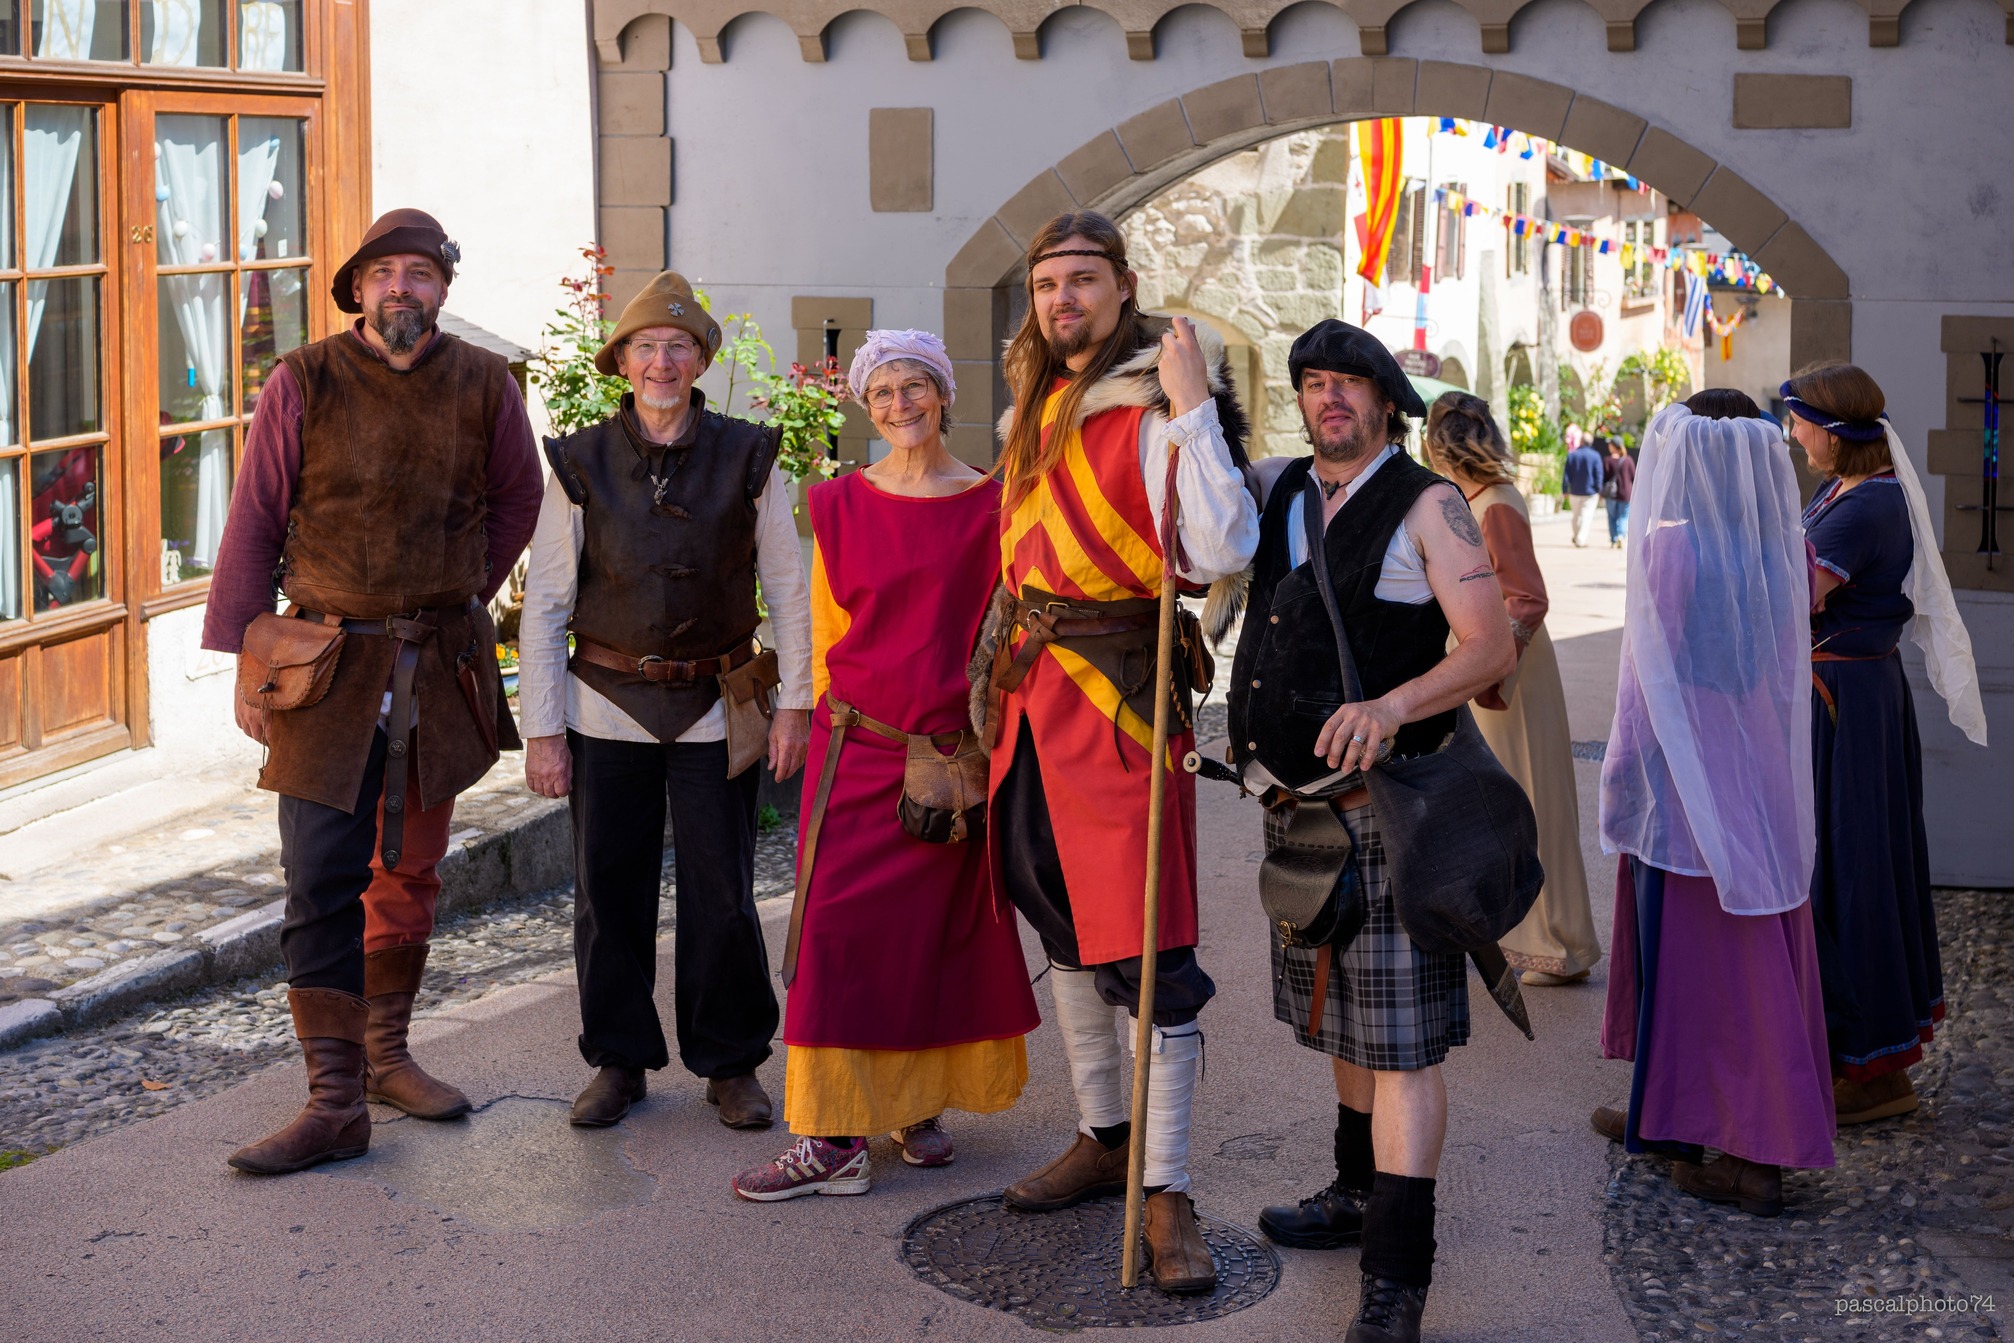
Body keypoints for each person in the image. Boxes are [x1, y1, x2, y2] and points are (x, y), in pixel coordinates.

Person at [202, 209, 543, 1172]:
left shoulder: (484, 382)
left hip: (437, 663)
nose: (402, 287)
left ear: (443, 290)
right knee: (319, 878)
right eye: (385, 272)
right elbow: (255, 518)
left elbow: (518, 498)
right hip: (326, 664)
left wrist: (460, 590)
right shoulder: (303, 378)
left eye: (420, 273)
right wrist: (248, 659)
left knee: (411, 869)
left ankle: (387, 1057)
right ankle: (333, 1100)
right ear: (358, 288)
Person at [983, 211, 1258, 1295]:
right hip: (1030, 698)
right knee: (1061, 921)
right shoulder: (1032, 407)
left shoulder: (1153, 403)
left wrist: (1193, 408)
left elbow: (1224, 545)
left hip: (1121, 705)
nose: (1063, 299)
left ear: (1124, 286)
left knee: (1151, 953)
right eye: (1048, 283)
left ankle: (1167, 1185)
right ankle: (1106, 1134)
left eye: (1083, 279)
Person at [1230, 322, 1518, 1343]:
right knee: (1342, 1023)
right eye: (1313, 382)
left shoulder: (1429, 503)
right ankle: (1355, 1189)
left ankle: (1397, 1276)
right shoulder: (1282, 490)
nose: (1329, 398)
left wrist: (1393, 705)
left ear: (1386, 398)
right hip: (1300, 813)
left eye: (1348, 383)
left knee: (1400, 1048)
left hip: (1389, 811)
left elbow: (1490, 645)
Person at [731, 331, 1040, 1201]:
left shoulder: (995, 504)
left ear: (943, 395)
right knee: (833, 936)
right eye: (883, 394)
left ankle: (912, 1103)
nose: (900, 405)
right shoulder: (838, 504)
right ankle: (831, 1137)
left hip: (951, 755)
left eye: (915, 387)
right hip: (856, 751)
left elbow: (1011, 626)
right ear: (867, 409)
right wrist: (805, 714)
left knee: (929, 939)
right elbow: (824, 630)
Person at [518, 271, 812, 1131]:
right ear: (622, 361)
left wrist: (794, 704)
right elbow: (546, 603)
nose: (662, 362)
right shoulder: (580, 461)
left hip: (717, 707)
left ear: (701, 360)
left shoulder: (750, 456)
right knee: (608, 893)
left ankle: (731, 1062)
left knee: (724, 892)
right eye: (646, 347)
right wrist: (542, 729)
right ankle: (618, 1059)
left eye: (678, 346)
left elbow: (788, 589)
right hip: (604, 704)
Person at [1593, 390, 1835, 1217]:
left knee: (1707, 959)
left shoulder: (1671, 549)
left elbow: (1646, 680)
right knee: (1752, 944)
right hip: (1756, 755)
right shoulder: (1787, 547)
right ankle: (1674, 1115)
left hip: (1689, 762)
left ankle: (1750, 1153)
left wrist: (1624, 774)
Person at [1785, 363, 1986, 1125]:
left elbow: (1786, 600)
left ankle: (1870, 1067)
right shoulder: (1846, 491)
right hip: (1852, 695)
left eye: (1801, 422)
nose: (1794, 435)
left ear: (1834, 433)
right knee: (1849, 863)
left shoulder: (1864, 506)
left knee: (1852, 869)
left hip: (1847, 705)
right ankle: (1861, 1060)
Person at [1421, 392, 1598, 988]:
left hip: (1507, 671)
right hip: (1492, 663)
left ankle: (1556, 942)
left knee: (1528, 800)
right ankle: (1525, 936)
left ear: (1439, 444)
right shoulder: (1479, 500)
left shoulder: (1493, 504)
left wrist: (1494, 671)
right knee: (1501, 803)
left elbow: (1525, 597)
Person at [1563, 426, 1605, 548]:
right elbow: (1598, 474)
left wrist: (1565, 489)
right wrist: (1599, 489)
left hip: (1575, 491)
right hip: (1590, 492)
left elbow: (1566, 474)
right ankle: (1580, 539)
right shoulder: (1595, 456)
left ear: (1581, 441)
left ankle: (1577, 536)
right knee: (1586, 516)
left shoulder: (1572, 455)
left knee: (1576, 516)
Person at [1602, 436, 1634, 549]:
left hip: (1611, 494)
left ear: (1613, 446)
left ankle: (1614, 539)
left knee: (1612, 517)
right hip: (1625, 494)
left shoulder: (1607, 460)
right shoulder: (1628, 460)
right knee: (1623, 516)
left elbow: (1604, 478)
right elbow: (1634, 477)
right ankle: (1621, 534)